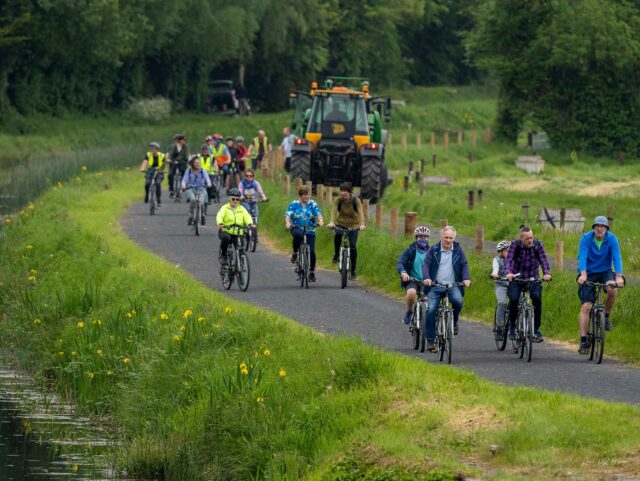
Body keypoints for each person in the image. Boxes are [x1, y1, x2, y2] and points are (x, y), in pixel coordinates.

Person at [576, 216, 624, 354]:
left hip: (605, 272)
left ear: (606, 228)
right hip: (588, 272)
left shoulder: (612, 239)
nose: (599, 228)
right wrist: (583, 274)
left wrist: (619, 276)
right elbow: (582, 257)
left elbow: (617, 257)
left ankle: (606, 317)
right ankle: (583, 341)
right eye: (597, 225)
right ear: (593, 227)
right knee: (586, 306)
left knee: (613, 289)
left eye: (602, 226)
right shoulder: (586, 238)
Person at [422, 225, 471, 352]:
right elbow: (426, 264)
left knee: (458, 301)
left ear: (453, 238)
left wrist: (466, 279)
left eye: (450, 238)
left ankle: (453, 322)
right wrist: (427, 278)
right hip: (435, 285)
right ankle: (430, 339)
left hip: (453, 285)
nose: (448, 240)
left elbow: (464, 265)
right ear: (441, 237)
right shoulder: (434, 249)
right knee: (431, 309)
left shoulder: (458, 249)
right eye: (446, 237)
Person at [505, 225, 552, 342]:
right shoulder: (514, 245)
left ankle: (536, 329)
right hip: (517, 278)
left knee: (536, 298)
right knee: (514, 299)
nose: (530, 240)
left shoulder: (538, 245)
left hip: (533, 278)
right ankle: (512, 327)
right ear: (521, 238)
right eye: (527, 238)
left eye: (531, 237)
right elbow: (508, 260)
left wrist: (546, 273)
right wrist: (508, 273)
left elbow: (543, 260)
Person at [284, 186, 324, 282]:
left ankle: (312, 272)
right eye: (305, 195)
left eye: (308, 195)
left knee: (312, 251)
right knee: (298, 235)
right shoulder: (294, 204)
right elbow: (288, 214)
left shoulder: (312, 204)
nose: (307, 197)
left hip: (310, 229)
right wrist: (288, 223)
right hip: (297, 227)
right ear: (300, 195)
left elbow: (318, 213)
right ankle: (295, 253)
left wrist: (321, 221)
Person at [327, 182, 365, 280]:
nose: (342, 193)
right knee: (338, 234)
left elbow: (361, 213)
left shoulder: (355, 201)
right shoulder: (338, 200)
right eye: (341, 191)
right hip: (341, 224)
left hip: (353, 225)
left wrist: (361, 225)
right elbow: (333, 211)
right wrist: (331, 222)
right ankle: (336, 255)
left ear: (349, 192)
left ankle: (353, 271)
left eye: (344, 191)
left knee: (352, 246)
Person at [396, 225, 431, 325]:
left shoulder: (432, 251)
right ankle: (409, 312)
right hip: (412, 279)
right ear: (416, 238)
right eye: (420, 237)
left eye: (425, 237)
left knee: (432, 301)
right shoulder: (410, 250)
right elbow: (400, 262)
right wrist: (403, 272)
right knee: (411, 294)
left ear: (428, 238)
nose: (423, 239)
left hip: (427, 281)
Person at [216, 187, 255, 268]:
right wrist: (220, 223)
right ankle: (223, 255)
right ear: (229, 199)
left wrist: (250, 224)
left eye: (237, 199)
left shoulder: (242, 209)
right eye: (233, 199)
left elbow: (247, 216)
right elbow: (219, 215)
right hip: (226, 230)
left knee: (240, 247)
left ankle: (240, 262)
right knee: (226, 238)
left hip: (238, 231)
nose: (235, 201)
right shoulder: (225, 208)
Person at [181, 156, 212, 225]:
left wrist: (209, 183)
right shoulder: (188, 171)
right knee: (192, 200)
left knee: (201, 202)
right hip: (191, 188)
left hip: (201, 188)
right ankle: (191, 216)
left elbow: (207, 178)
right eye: (196, 163)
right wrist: (183, 186)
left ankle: (203, 215)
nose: (198, 164)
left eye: (198, 163)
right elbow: (184, 180)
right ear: (192, 163)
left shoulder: (202, 170)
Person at [491, 240, 511, 341]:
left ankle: (516, 325)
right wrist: (495, 274)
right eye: (507, 251)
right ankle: (499, 327)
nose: (509, 253)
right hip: (501, 285)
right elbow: (495, 268)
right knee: (502, 303)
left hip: (513, 285)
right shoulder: (497, 260)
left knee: (519, 302)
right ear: (500, 252)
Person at [167, 134, 189, 198]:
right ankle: (171, 190)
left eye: (185, 140)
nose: (184, 141)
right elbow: (171, 155)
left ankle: (182, 186)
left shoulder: (185, 147)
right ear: (180, 141)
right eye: (183, 140)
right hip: (174, 162)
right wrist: (171, 160)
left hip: (182, 162)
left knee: (184, 172)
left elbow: (186, 155)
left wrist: (186, 161)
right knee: (170, 175)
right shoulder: (175, 146)